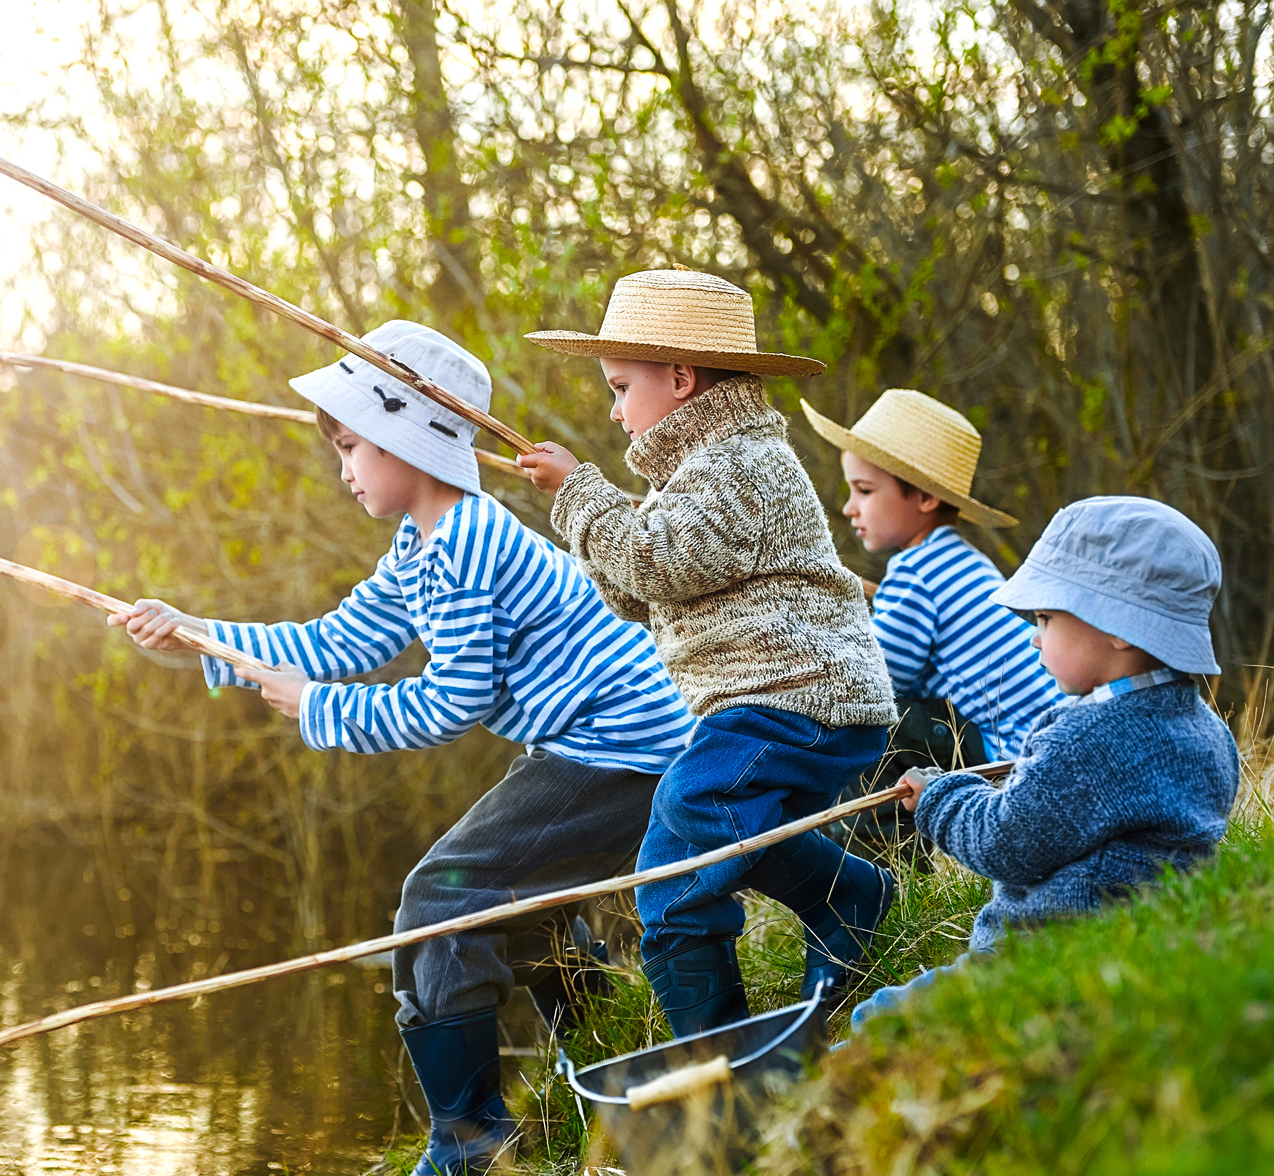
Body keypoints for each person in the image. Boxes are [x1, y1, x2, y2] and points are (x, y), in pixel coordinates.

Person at [110, 320, 694, 1176]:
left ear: (405, 438)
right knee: (514, 904)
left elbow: (450, 702)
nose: (343, 470)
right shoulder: (423, 546)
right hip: (597, 743)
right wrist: (195, 635)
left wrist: (319, 710)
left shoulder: (465, 544)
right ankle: (608, 1070)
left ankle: (470, 1148)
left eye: (350, 447)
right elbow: (331, 642)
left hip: (625, 747)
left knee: (439, 899)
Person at [519, 269, 897, 1038]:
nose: (615, 411)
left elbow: (656, 564)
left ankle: (719, 1053)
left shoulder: (738, 464)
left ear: (680, 379)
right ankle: (845, 897)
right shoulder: (699, 471)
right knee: (721, 828)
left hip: (800, 697)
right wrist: (591, 516)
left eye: (620, 388)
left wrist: (583, 497)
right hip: (773, 703)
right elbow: (641, 595)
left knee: (682, 837)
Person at [849, 496, 1239, 1030]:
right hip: (1135, 935)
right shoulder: (1208, 730)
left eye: (1047, 618)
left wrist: (939, 797)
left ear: (1118, 628)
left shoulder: (1088, 738)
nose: (1034, 636)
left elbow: (1005, 844)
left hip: (1041, 949)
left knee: (878, 1020)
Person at [806, 390, 1060, 846]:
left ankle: (885, 861)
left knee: (862, 725)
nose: (848, 507)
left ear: (924, 497)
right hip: (1043, 747)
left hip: (1011, 760)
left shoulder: (916, 573)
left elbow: (875, 682)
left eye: (864, 490)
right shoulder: (963, 560)